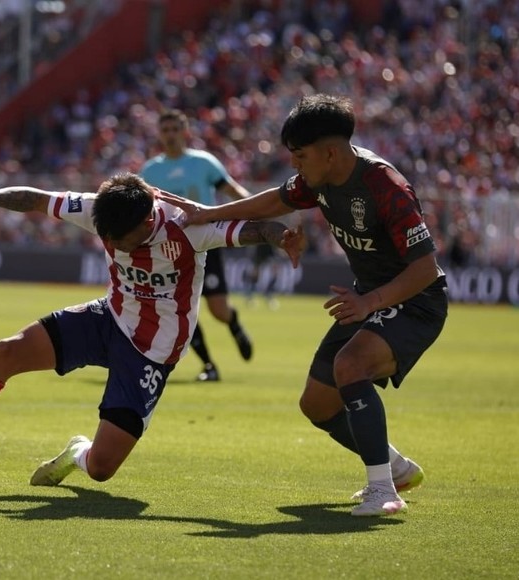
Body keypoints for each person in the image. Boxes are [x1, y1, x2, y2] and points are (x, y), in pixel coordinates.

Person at [0, 172, 304, 486]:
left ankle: (76, 453)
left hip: (151, 352)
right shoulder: (102, 208)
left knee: (102, 469)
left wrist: (282, 236)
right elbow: (35, 198)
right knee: (8, 350)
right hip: (108, 318)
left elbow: (256, 229)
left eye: (116, 239)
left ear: (144, 224)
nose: (109, 243)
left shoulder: (188, 226)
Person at [161, 94, 448, 517]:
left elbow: (426, 268)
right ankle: (397, 466)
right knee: (316, 405)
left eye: (299, 156)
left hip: (414, 301)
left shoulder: (385, 186)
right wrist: (209, 213)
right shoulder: (319, 179)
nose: (295, 165)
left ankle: (383, 490)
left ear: (330, 153)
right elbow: (273, 201)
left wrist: (370, 301)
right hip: (366, 299)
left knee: (350, 366)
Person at [140, 109, 253, 383]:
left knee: (218, 309)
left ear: (184, 131)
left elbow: (232, 191)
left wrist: (255, 209)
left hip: (204, 243)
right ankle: (209, 365)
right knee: (181, 308)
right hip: (168, 249)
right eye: (164, 130)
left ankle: (233, 322)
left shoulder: (203, 163)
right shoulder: (151, 170)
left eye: (174, 130)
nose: (169, 135)